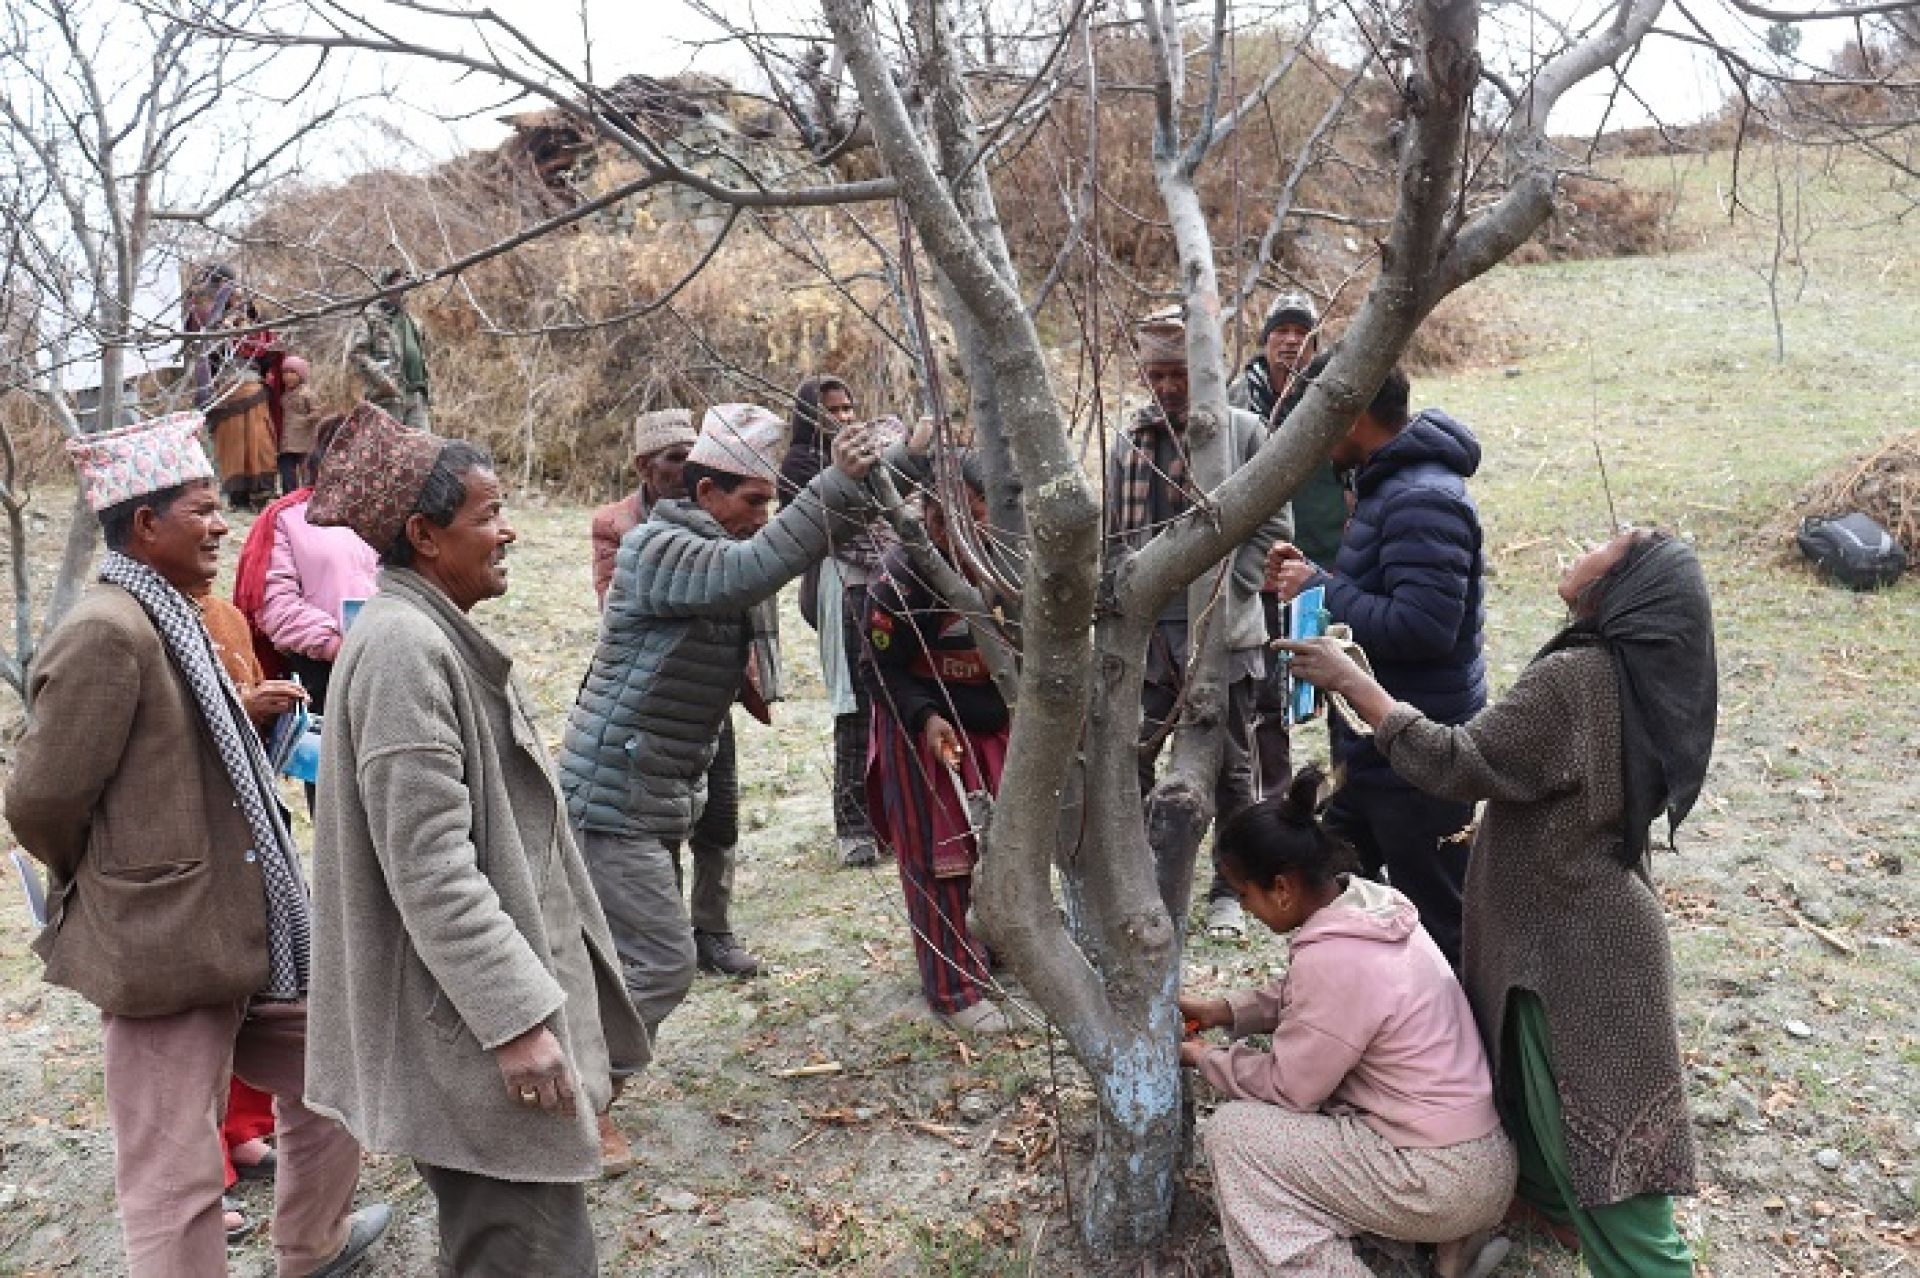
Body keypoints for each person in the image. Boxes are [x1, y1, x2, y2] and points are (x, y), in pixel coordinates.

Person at [5, 411, 388, 1278]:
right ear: (146, 526)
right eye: (203, 510)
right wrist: (122, 879)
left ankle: (314, 1248)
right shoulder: (108, 629)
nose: (223, 526)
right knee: (173, 1173)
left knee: (336, 1070)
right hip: (164, 942)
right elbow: (39, 800)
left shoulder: (175, 615)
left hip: (250, 922)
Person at [1279, 528, 1714, 1277]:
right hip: (1575, 936)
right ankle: (1549, 1208)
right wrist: (1369, 682)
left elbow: (1459, 762)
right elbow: (1505, 758)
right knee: (1545, 1112)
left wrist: (1354, 686)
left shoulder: (1578, 679)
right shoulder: (1630, 674)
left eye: (1615, 542)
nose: (1592, 538)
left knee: (1620, 1185)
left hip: (1575, 958)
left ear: (1623, 587)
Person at [303, 404, 650, 1273]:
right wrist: (516, 1023)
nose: (509, 531)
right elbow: (431, 868)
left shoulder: (421, 634)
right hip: (470, 1038)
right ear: (425, 535)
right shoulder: (403, 649)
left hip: (476, 1026)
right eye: (487, 515)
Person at [558, 405, 884, 1047]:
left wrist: (894, 464)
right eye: (754, 499)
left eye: (772, 501)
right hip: (614, 790)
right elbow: (751, 570)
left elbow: (789, 545)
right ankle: (580, 1097)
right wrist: (833, 485)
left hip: (652, 782)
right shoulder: (659, 547)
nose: (763, 516)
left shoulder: (708, 541)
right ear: (705, 492)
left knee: (626, 963)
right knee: (662, 968)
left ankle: (579, 1094)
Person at [1178, 767, 1515, 1278]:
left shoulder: (1334, 960)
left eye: (1244, 896)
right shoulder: (1371, 912)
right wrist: (1224, 1010)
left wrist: (1210, 1059)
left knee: (1235, 1136)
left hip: (1437, 1176)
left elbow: (1289, 1089)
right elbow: (1311, 1004)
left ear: (1283, 889)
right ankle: (1441, 1251)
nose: (1244, 909)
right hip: (1482, 1161)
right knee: (1323, 1122)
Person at [1265, 365, 1486, 969]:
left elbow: (1425, 626)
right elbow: (1378, 591)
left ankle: (1460, 1060)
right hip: (1370, 752)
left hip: (1419, 760)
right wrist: (1312, 582)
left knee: (1441, 927)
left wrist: (1323, 588)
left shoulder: (1421, 500)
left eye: (1322, 412)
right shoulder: (1383, 484)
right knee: (1341, 896)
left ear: (1355, 413)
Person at [1108, 310, 1291, 939]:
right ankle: (1138, 883)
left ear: (1203, 373)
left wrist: (1228, 587)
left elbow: (1274, 526)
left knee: (1231, 766)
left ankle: (1230, 891)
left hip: (1224, 631)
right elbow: (1114, 537)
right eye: (1153, 375)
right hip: (1148, 635)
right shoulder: (1129, 442)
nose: (1165, 389)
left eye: (1177, 375)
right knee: (1133, 755)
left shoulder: (1242, 434)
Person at [589, 406, 762, 979]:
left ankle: (713, 929)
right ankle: (665, 936)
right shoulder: (622, 527)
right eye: (675, 457)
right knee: (659, 823)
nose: (686, 466)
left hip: (710, 693)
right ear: (645, 465)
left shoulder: (720, 520)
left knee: (719, 816)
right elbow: (621, 604)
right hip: (654, 702)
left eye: (694, 454)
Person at [860, 452, 1010, 1034]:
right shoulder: (900, 579)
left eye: (981, 517)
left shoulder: (1004, 560)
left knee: (996, 848)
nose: (972, 532)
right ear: (931, 517)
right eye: (957, 520)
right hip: (927, 735)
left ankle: (990, 951)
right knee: (940, 858)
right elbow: (876, 666)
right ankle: (953, 989)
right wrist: (924, 717)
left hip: (993, 727)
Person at [1230, 300, 1346, 798]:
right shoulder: (1238, 401)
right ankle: (1272, 801)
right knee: (1264, 695)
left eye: (1302, 331)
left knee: (1342, 679)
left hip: (1329, 563)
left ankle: (1347, 792)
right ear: (1265, 341)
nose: (1291, 340)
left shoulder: (1331, 398)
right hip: (1260, 567)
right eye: (1282, 330)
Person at [778, 375, 886, 867]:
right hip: (838, 584)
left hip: (880, 580)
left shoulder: (871, 453)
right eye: (832, 411)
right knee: (853, 704)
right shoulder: (801, 466)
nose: (843, 418)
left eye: (848, 409)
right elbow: (820, 525)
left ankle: (887, 816)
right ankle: (853, 825)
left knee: (891, 698)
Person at [349, 270, 431, 428]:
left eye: (403, 286)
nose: (400, 291)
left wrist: (424, 391)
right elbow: (357, 354)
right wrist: (382, 380)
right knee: (390, 448)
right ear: (384, 288)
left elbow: (421, 355)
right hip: (387, 397)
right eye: (395, 286)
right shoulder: (370, 317)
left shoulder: (413, 321)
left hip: (416, 395)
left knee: (421, 447)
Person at [207, 359, 281, 510]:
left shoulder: (222, 395)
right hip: (259, 436)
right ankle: (259, 497)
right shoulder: (259, 389)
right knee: (260, 453)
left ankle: (238, 499)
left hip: (231, 443)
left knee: (234, 458)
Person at [277, 355, 319, 496]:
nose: (287, 377)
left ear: (301, 375)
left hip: (304, 443)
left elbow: (318, 411)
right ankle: (290, 498)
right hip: (287, 443)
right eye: (285, 373)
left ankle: (307, 499)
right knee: (287, 473)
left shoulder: (307, 393)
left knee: (306, 473)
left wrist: (305, 420)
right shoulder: (284, 395)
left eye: (292, 373)